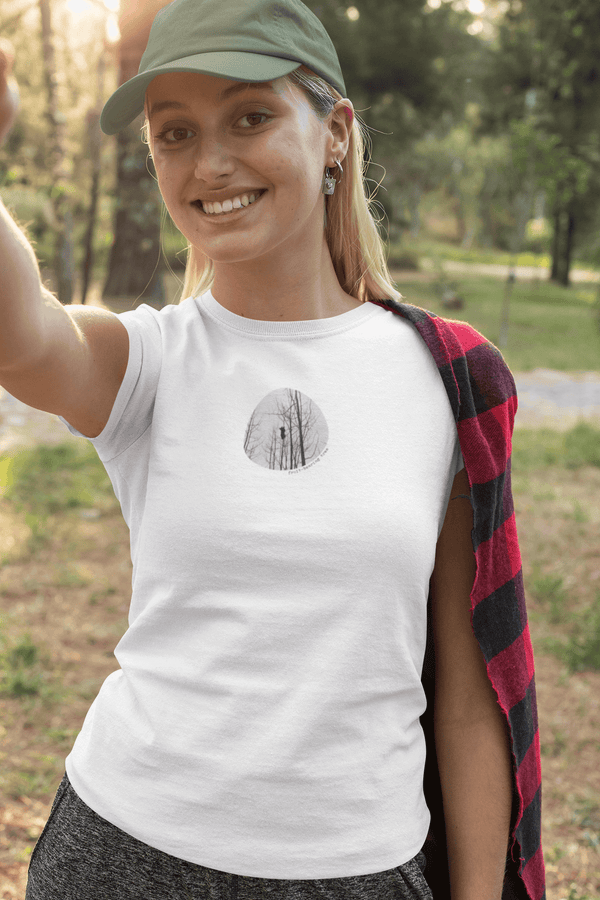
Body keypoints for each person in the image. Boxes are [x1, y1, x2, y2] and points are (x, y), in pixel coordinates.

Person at [0, 1, 545, 897]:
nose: (210, 162)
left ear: (334, 134)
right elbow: (23, 334)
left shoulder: (448, 377)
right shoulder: (150, 362)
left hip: (362, 870)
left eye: (250, 116)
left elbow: (468, 697)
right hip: (124, 853)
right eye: (175, 133)